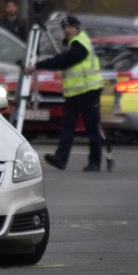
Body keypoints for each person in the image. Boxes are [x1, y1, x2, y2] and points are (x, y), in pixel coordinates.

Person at [24, 14, 104, 172]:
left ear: (77, 27)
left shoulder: (80, 45)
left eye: (70, 27)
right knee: (67, 126)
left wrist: (37, 66)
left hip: (89, 91)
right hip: (74, 92)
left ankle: (95, 162)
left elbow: (63, 61)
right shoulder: (73, 42)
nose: (67, 30)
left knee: (92, 128)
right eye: (65, 28)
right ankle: (61, 158)